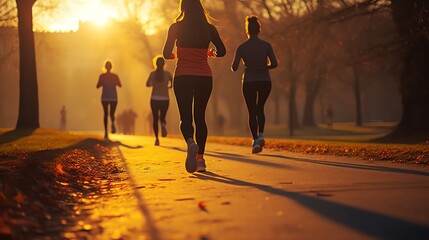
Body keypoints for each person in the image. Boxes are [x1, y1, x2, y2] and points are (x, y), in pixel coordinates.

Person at [163, 0, 226, 173]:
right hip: (204, 77)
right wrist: (211, 53)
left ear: (183, 8)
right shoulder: (209, 29)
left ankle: (191, 142)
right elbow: (222, 51)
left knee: (186, 117)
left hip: (183, 75)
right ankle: (200, 160)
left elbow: (165, 53)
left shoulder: (175, 28)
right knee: (200, 118)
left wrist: (174, 55)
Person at [231, 16, 278, 154]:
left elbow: (234, 67)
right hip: (265, 81)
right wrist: (264, 67)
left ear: (247, 30)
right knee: (260, 108)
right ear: (259, 30)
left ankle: (255, 141)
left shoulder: (242, 47)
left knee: (252, 111)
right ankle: (261, 134)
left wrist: (247, 65)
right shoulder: (266, 45)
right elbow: (274, 63)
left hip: (249, 81)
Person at [146, 56, 173, 146]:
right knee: (162, 116)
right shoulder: (168, 74)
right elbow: (172, 84)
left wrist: (153, 84)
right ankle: (163, 123)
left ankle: (157, 139)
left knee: (155, 118)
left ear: (155, 64)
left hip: (154, 98)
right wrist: (167, 86)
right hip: (165, 98)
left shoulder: (152, 74)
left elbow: (147, 84)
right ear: (164, 64)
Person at [96, 60, 122, 139]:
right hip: (107, 97)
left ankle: (110, 127)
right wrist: (102, 82)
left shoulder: (114, 76)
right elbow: (97, 86)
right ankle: (107, 130)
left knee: (108, 114)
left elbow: (120, 85)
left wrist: (114, 82)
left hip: (111, 97)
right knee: (108, 114)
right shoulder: (102, 76)